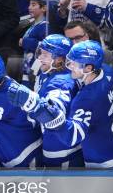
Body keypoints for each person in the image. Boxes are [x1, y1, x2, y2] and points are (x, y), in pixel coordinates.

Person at [8, 40, 113, 168]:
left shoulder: (86, 99)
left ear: (89, 68)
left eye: (75, 63)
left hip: (108, 162)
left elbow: (71, 136)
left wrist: (40, 109)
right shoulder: (107, 71)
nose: (69, 66)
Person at [11, 34, 84, 167]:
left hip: (63, 152)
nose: (39, 58)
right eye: (40, 53)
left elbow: (53, 111)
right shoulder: (47, 73)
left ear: (59, 59)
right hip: (53, 144)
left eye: (45, 55)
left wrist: (30, 103)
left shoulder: (61, 82)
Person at [20, 0, 48, 86]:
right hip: (27, 69)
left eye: (33, 5)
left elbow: (46, 47)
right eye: (29, 5)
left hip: (35, 72)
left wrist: (25, 42)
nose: (29, 8)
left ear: (44, 8)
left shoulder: (45, 26)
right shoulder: (32, 25)